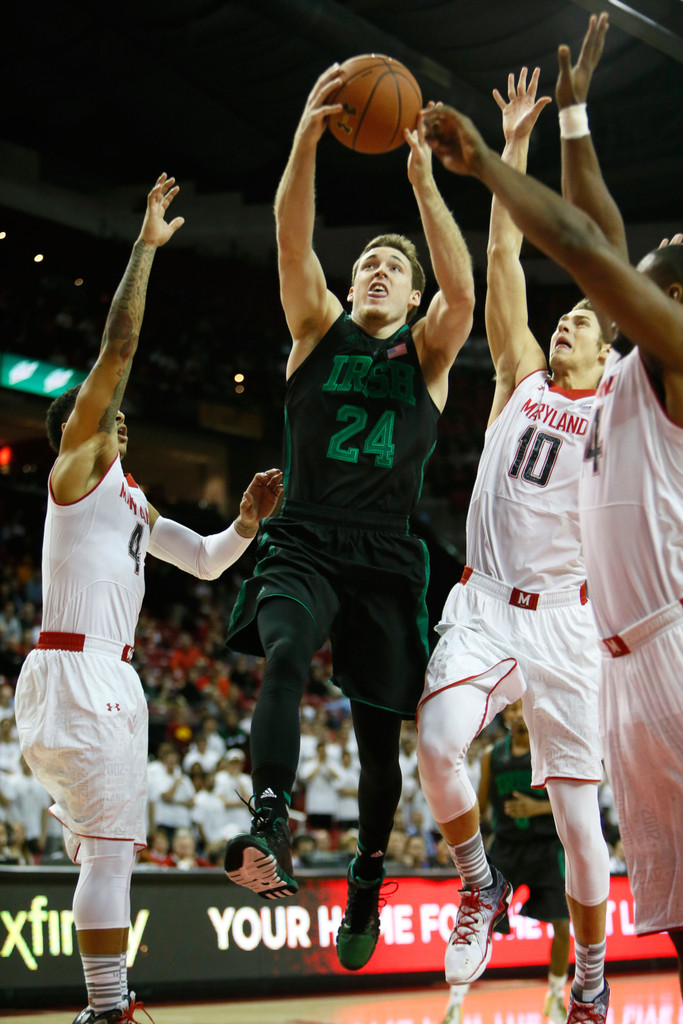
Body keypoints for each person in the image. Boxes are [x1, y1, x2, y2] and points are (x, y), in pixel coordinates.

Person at [422, 15, 683, 1007]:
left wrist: (497, 162)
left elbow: (589, 245)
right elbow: (557, 254)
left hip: (593, 625)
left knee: (589, 833)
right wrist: (554, 128)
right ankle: (480, 887)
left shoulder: (649, 367)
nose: (572, 312)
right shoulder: (540, 376)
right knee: (441, 748)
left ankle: (586, 974)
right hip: (503, 602)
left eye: (671, 251)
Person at [13, 174, 284, 1024]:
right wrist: (143, 248)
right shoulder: (77, 470)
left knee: (109, 856)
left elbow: (203, 563)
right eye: (102, 415)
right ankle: (105, 1010)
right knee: (109, 861)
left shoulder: (130, 498)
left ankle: (108, 1006)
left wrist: (242, 524)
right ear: (78, 432)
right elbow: (116, 352)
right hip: (83, 668)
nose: (118, 419)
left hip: (98, 675)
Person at [223, 62, 475, 975]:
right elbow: (291, 237)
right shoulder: (313, 329)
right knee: (286, 653)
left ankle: (368, 870)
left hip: (383, 556)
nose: (375, 269)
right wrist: (302, 137)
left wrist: (422, 184)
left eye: (392, 267)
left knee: (378, 740)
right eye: (367, 260)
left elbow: (464, 292)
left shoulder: (430, 354)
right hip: (304, 537)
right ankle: (267, 826)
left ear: (411, 300)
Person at [441, 700, 571, 1024]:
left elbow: (574, 804)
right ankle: (455, 1003)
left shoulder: (549, 749)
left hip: (546, 847)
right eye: (510, 710)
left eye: (520, 709)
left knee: (562, 924)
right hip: (507, 848)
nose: (515, 715)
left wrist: (537, 808)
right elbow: (481, 807)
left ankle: (555, 995)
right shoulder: (491, 756)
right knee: (478, 921)